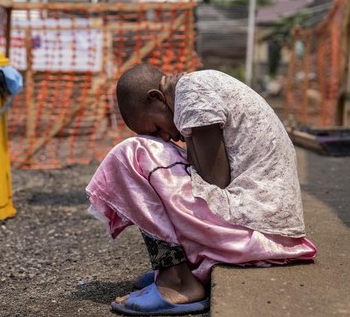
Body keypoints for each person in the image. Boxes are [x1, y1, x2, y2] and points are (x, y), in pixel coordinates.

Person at [85, 64, 317, 316]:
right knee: (151, 159)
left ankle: (178, 282)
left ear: (156, 97)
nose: (164, 136)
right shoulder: (194, 88)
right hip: (264, 222)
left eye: (156, 128)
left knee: (131, 155)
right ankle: (175, 270)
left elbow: (213, 180)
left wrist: (183, 140)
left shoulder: (192, 93)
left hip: (258, 227)